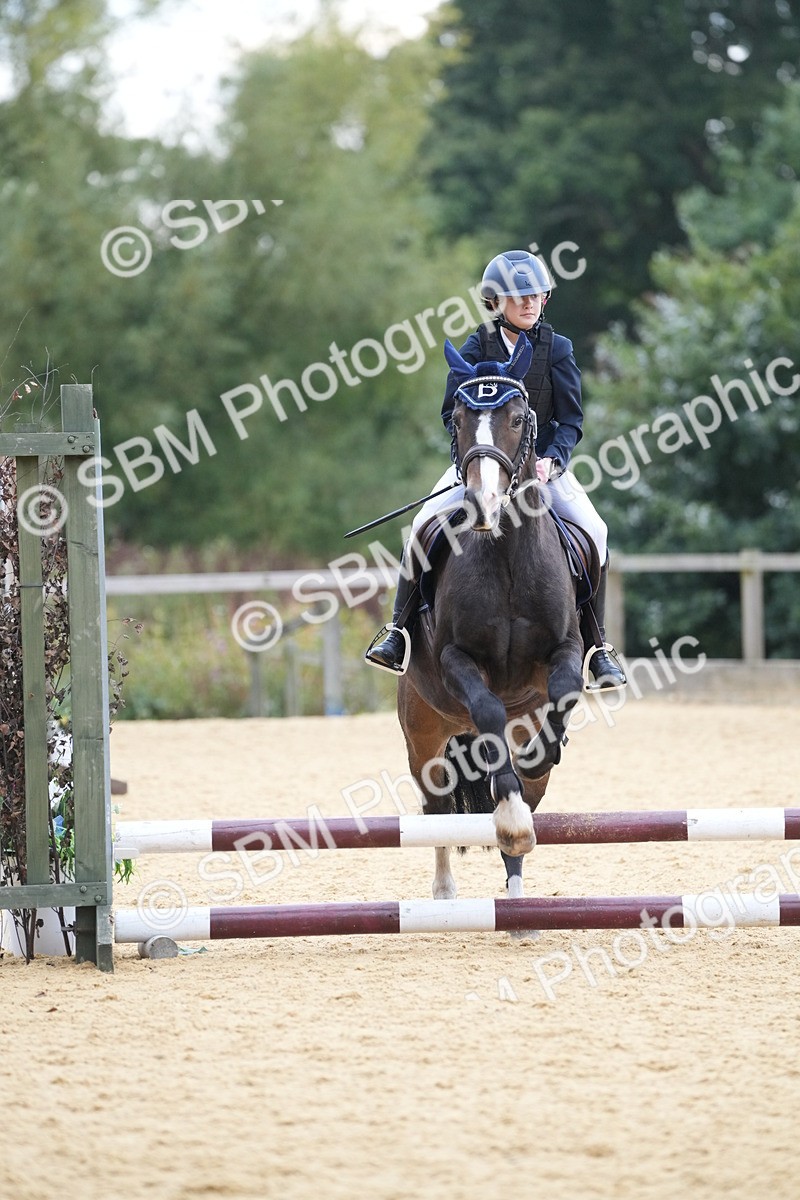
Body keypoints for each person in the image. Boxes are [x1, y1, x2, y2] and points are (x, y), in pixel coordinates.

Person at [365, 249, 626, 689]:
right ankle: (397, 632)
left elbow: (571, 420)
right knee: (423, 524)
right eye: (517, 295)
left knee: (595, 531)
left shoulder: (557, 349)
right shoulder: (476, 345)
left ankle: (598, 647)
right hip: (481, 464)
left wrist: (553, 461)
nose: (528, 302)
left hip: (541, 468)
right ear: (496, 302)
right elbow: (451, 413)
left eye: (536, 295)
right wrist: (474, 457)